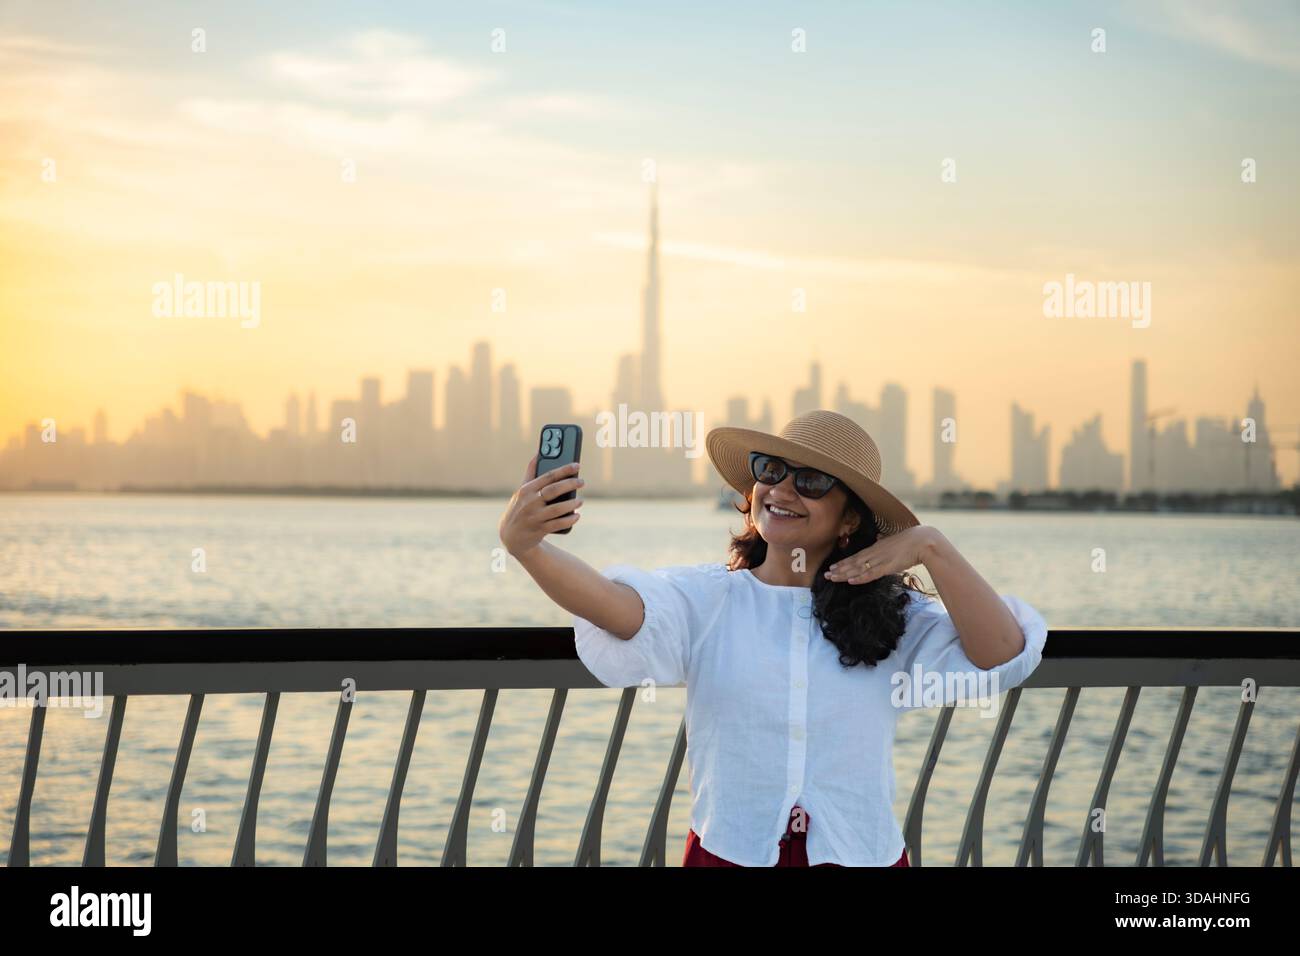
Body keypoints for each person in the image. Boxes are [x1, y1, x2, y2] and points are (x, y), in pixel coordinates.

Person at [498, 409, 1048, 867]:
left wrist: (932, 546)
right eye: (771, 470)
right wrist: (528, 547)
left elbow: (1001, 652)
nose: (782, 489)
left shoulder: (891, 616)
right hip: (729, 854)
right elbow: (618, 610)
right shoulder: (711, 598)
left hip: (861, 854)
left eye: (809, 481)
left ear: (849, 519)